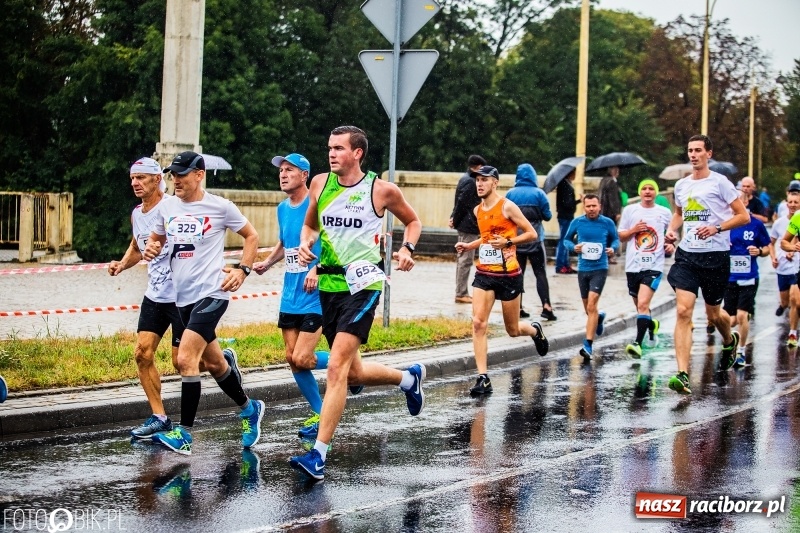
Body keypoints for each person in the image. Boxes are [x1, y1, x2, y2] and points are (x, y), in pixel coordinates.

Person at [289, 125, 426, 481]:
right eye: (329, 147)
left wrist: (407, 249)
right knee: (353, 372)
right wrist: (307, 243)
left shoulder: (380, 190)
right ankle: (409, 380)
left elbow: (413, 221)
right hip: (329, 286)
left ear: (357, 153)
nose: (331, 154)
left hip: (364, 286)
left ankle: (318, 456)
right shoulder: (319, 183)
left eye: (338, 148)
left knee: (336, 367)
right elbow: (311, 227)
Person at [142, 151, 264, 455]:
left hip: (213, 293)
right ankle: (250, 409)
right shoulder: (166, 207)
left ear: (200, 174)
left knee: (185, 359)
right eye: (173, 174)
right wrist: (151, 248)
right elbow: (156, 239)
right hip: (182, 299)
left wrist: (242, 270)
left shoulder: (220, 207)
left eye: (182, 174)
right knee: (213, 363)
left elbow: (252, 236)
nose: (176, 180)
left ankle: (184, 434)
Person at [254, 152, 357, 446]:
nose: (283, 174)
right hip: (290, 295)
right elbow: (286, 243)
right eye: (281, 170)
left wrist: (315, 268)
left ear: (304, 176)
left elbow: (328, 240)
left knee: (303, 356)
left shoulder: (317, 205)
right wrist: (268, 262)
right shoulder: (282, 208)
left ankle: (347, 366)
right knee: (293, 359)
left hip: (314, 292)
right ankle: (320, 411)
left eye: (290, 170)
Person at [108, 157, 202, 440]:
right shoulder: (137, 213)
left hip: (182, 296)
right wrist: (122, 264)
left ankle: (221, 359)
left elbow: (191, 245)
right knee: (142, 353)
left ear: (157, 179)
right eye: (132, 178)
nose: (135, 183)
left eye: (142, 178)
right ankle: (159, 416)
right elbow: (138, 244)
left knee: (181, 361)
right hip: (156, 295)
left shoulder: (173, 208)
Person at [665, 135, 749, 395]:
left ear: (708, 154)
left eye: (698, 150)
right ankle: (683, 373)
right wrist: (670, 230)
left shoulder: (720, 183)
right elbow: (679, 214)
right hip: (688, 255)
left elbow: (742, 216)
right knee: (683, 311)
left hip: (716, 257)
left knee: (714, 315)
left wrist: (716, 227)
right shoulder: (681, 185)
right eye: (690, 150)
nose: (693, 155)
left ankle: (729, 339)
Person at [454, 165, 549, 396]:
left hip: (509, 276)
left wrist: (508, 243)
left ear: (495, 182)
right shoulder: (478, 211)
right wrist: (470, 245)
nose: (479, 184)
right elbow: (486, 238)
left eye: (484, 180)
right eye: (477, 180)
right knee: (478, 323)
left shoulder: (507, 206)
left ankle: (535, 331)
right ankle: (483, 378)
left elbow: (531, 234)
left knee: (513, 329)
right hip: (485, 275)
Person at [617, 179, 673, 358]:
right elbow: (622, 237)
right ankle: (651, 325)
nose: (648, 191)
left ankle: (637, 344)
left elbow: (673, 234)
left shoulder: (664, 212)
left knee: (643, 304)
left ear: (656, 192)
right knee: (640, 307)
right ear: (640, 192)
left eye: (651, 188)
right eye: (644, 188)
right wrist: (633, 230)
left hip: (654, 266)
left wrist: (671, 244)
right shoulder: (630, 210)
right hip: (633, 266)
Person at [564, 194, 619, 360]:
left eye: (594, 206)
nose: (591, 209)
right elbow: (566, 240)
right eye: (588, 206)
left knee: (592, 304)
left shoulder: (607, 223)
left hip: (600, 268)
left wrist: (612, 249)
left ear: (599, 206)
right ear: (584, 207)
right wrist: (574, 247)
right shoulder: (578, 222)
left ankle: (588, 345)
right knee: (589, 308)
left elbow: (615, 239)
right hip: (583, 269)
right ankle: (599, 318)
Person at [505, 163, 556, 320]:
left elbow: (505, 215)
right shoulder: (539, 194)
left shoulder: (510, 194)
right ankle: (546, 306)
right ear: (533, 176)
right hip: (535, 239)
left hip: (517, 241)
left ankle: (518, 307)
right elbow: (547, 216)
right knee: (540, 274)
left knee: (516, 275)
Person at [722, 214, 770, 366]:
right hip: (729, 278)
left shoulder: (755, 224)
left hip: (749, 277)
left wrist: (759, 251)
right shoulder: (723, 221)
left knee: (742, 316)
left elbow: (768, 248)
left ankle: (741, 352)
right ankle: (731, 344)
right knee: (730, 320)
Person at [450, 154, 487, 303]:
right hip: (468, 225)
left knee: (462, 259)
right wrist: (456, 219)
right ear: (477, 166)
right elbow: (462, 203)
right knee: (465, 260)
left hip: (464, 223)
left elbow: (458, 202)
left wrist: (454, 218)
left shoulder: (465, 178)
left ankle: (461, 291)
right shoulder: (471, 182)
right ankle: (461, 293)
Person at [769, 185, 800, 346]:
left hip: (794, 266)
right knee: (794, 301)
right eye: (791, 202)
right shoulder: (796, 218)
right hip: (792, 267)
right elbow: (783, 242)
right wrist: (793, 248)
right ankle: (793, 333)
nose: (793, 204)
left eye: (796, 201)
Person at [555, 170, 581, 274]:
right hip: (565, 216)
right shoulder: (564, 185)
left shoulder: (566, 184)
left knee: (566, 239)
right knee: (564, 240)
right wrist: (577, 201)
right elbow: (567, 204)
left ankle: (565, 264)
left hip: (566, 215)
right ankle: (561, 265)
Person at [599, 166, 622, 264]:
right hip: (610, 213)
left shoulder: (603, 180)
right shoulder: (612, 182)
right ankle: (609, 255)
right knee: (611, 234)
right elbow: (613, 199)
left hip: (603, 212)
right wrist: (616, 212)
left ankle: (604, 255)